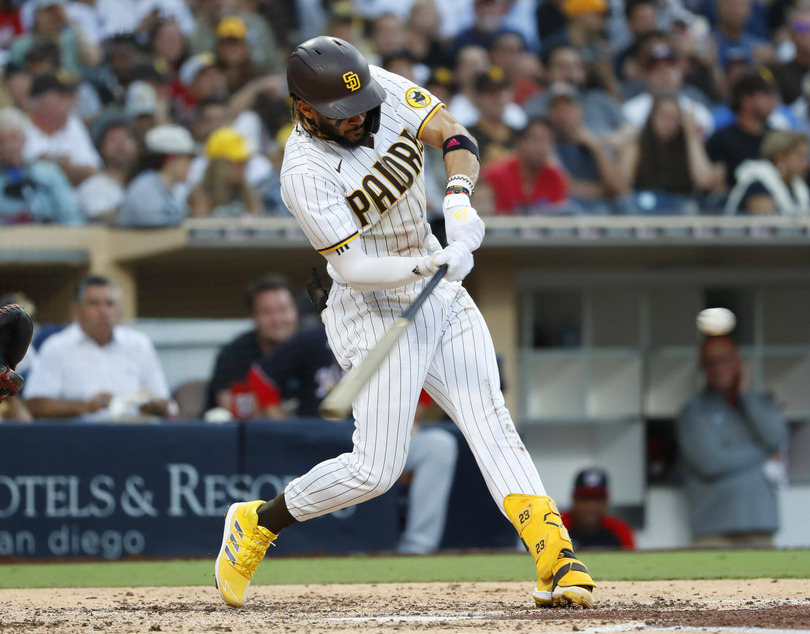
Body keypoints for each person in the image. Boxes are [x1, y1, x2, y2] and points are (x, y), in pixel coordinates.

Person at [215, 36, 596, 610]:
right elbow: (355, 267)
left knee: (488, 416)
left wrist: (461, 200)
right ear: (304, 109)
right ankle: (257, 522)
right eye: (342, 114)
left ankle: (555, 556)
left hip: (436, 285)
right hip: (368, 304)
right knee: (377, 469)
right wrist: (428, 260)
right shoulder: (303, 172)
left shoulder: (380, 90)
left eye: (362, 103)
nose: (360, 117)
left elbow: (455, 134)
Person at [245, 324, 459, 555]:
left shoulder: (396, 338)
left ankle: (417, 548)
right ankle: (274, 539)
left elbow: (428, 382)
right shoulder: (315, 338)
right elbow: (260, 376)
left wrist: (406, 420)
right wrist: (283, 425)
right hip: (321, 437)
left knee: (439, 445)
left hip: (377, 436)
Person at [676, 333, 788, 548]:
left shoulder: (761, 403)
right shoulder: (693, 411)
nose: (718, 367)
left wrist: (745, 395)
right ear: (703, 368)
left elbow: (778, 438)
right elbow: (710, 462)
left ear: (738, 362)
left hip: (761, 526)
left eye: (725, 359)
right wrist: (764, 451)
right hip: (713, 531)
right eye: (710, 362)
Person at [24, 275, 170, 421]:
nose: (103, 311)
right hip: (78, 438)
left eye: (110, 304)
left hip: (135, 434)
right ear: (76, 310)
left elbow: (164, 401)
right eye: (94, 304)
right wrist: (84, 407)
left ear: (120, 310)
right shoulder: (56, 347)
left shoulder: (139, 344)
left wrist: (150, 405)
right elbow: (35, 405)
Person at [205, 275, 298, 414]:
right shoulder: (233, 355)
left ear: (295, 310)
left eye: (283, 310)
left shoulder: (312, 347)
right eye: (267, 313)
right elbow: (231, 412)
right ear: (253, 317)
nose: (277, 319)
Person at [620, 94, 720, 214]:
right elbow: (622, 187)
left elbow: (705, 182)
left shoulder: (689, 145)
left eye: (674, 117)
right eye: (663, 115)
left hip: (680, 209)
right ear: (652, 116)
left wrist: (692, 137)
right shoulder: (637, 145)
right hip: (642, 208)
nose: (667, 121)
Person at [0, 105, 80, 224]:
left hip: (53, 238)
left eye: (14, 138)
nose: (9, 146)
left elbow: (71, 215)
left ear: (24, 139)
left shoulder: (48, 173)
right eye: (2, 141)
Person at [478, 116, 570, 215]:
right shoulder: (495, 174)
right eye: (535, 139)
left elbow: (559, 219)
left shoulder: (556, 177)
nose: (541, 147)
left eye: (547, 140)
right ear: (519, 143)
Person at [723, 130, 810, 215]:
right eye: (801, 156)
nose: (808, 163)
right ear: (780, 157)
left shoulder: (798, 187)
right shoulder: (758, 185)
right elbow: (765, 230)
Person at [706, 71, 777, 188]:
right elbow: (715, 186)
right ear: (746, 100)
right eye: (765, 94)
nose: (772, 100)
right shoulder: (721, 140)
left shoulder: (776, 138)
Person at [118, 124, 195, 226]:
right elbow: (152, 223)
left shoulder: (167, 188)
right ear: (170, 159)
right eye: (187, 158)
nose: (190, 165)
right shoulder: (145, 187)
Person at [561, 468, 635, 551]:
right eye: (584, 498)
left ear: (606, 500)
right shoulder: (558, 527)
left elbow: (633, 561)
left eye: (597, 498)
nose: (590, 505)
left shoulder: (620, 531)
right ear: (574, 499)